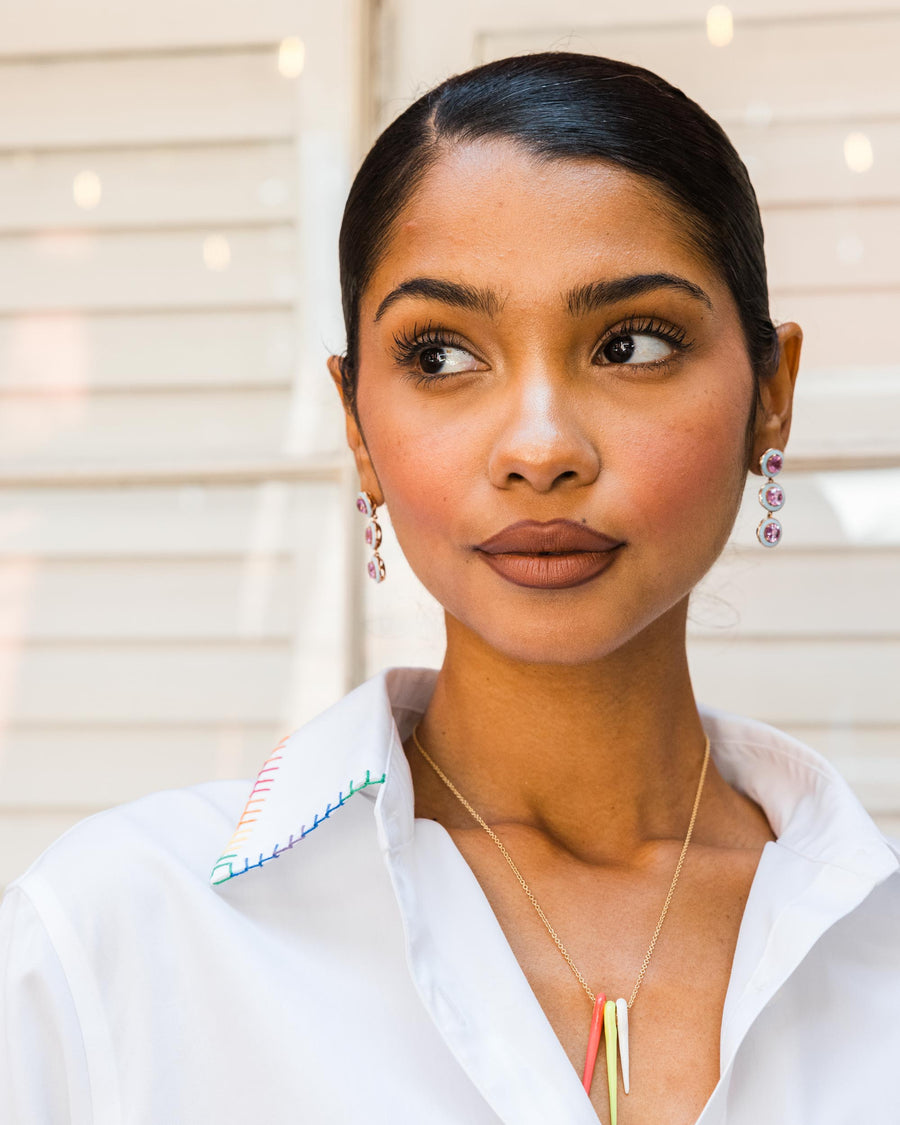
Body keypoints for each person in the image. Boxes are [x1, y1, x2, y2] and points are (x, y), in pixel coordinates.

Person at [1, 51, 897, 1125]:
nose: (540, 449)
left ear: (772, 395)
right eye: (439, 356)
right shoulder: (123, 939)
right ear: (357, 428)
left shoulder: (875, 949)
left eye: (632, 342)